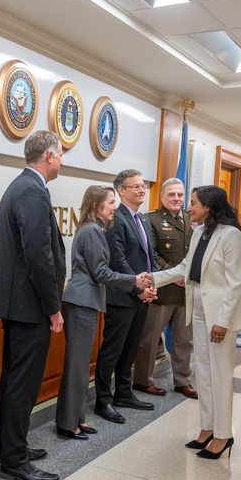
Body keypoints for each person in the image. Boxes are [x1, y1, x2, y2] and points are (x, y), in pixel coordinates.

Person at [145, 185, 241, 459]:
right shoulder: (200, 233)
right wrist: (152, 278)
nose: (189, 207)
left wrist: (223, 321)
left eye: (193, 203)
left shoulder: (232, 236)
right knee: (203, 372)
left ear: (209, 206)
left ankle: (224, 434)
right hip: (200, 311)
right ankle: (207, 427)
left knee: (220, 374)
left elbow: (234, 283)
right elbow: (184, 268)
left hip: (220, 317)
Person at [0, 130, 66, 480]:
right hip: (30, 306)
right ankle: (15, 460)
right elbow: (39, 257)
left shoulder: (20, 186)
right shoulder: (32, 191)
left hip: (16, 303)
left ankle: (9, 447)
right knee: (22, 383)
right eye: (61, 154)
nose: (62, 161)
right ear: (48, 156)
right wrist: (53, 308)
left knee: (13, 379)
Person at [56, 185, 149, 439]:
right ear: (97, 206)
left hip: (86, 301)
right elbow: (101, 273)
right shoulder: (92, 231)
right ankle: (67, 424)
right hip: (81, 302)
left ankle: (78, 419)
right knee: (77, 366)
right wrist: (134, 280)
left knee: (81, 364)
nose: (114, 207)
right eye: (110, 202)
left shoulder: (93, 229)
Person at [93, 169, 158, 425]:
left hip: (141, 295)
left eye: (143, 186)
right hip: (122, 296)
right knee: (112, 350)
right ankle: (103, 400)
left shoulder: (142, 219)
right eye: (136, 186)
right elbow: (117, 259)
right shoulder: (115, 219)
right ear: (121, 190)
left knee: (131, 348)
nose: (142, 190)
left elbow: (148, 257)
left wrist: (152, 284)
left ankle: (123, 392)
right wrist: (138, 287)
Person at [135, 177, 196, 399]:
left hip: (185, 292)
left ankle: (182, 381)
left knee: (184, 341)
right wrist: (173, 275)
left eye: (180, 194)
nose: (176, 199)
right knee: (149, 340)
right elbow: (152, 254)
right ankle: (143, 381)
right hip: (162, 291)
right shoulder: (151, 219)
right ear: (162, 196)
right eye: (171, 194)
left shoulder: (191, 219)